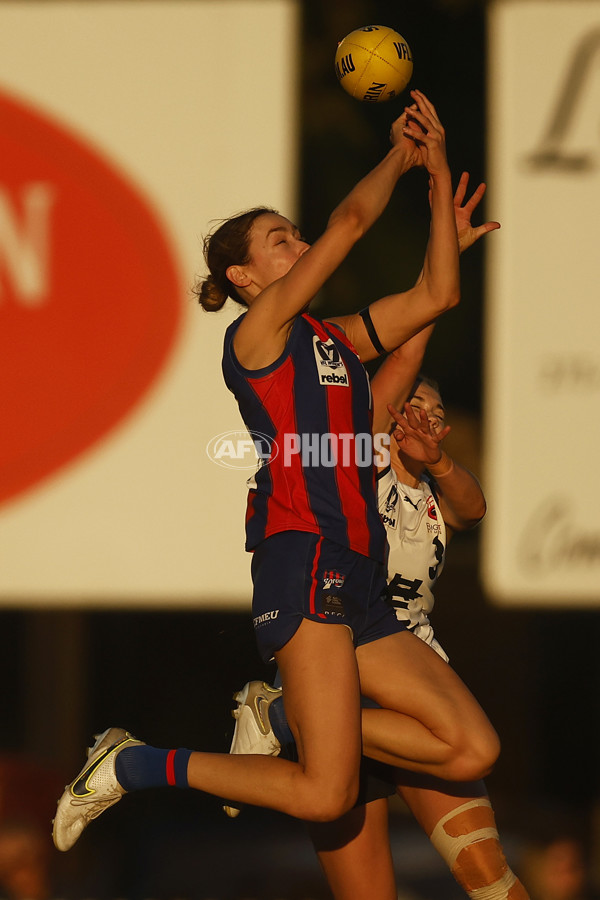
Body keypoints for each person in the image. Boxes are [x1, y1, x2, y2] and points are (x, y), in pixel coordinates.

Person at [52, 91, 499, 858]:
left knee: (472, 749)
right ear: (245, 277)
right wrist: (403, 149)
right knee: (326, 792)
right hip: (306, 564)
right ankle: (130, 763)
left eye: (296, 236)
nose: (298, 248)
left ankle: (282, 716)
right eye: (279, 241)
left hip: (360, 574)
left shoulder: (333, 339)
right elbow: (352, 224)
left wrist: (439, 190)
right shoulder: (256, 338)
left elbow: (438, 296)